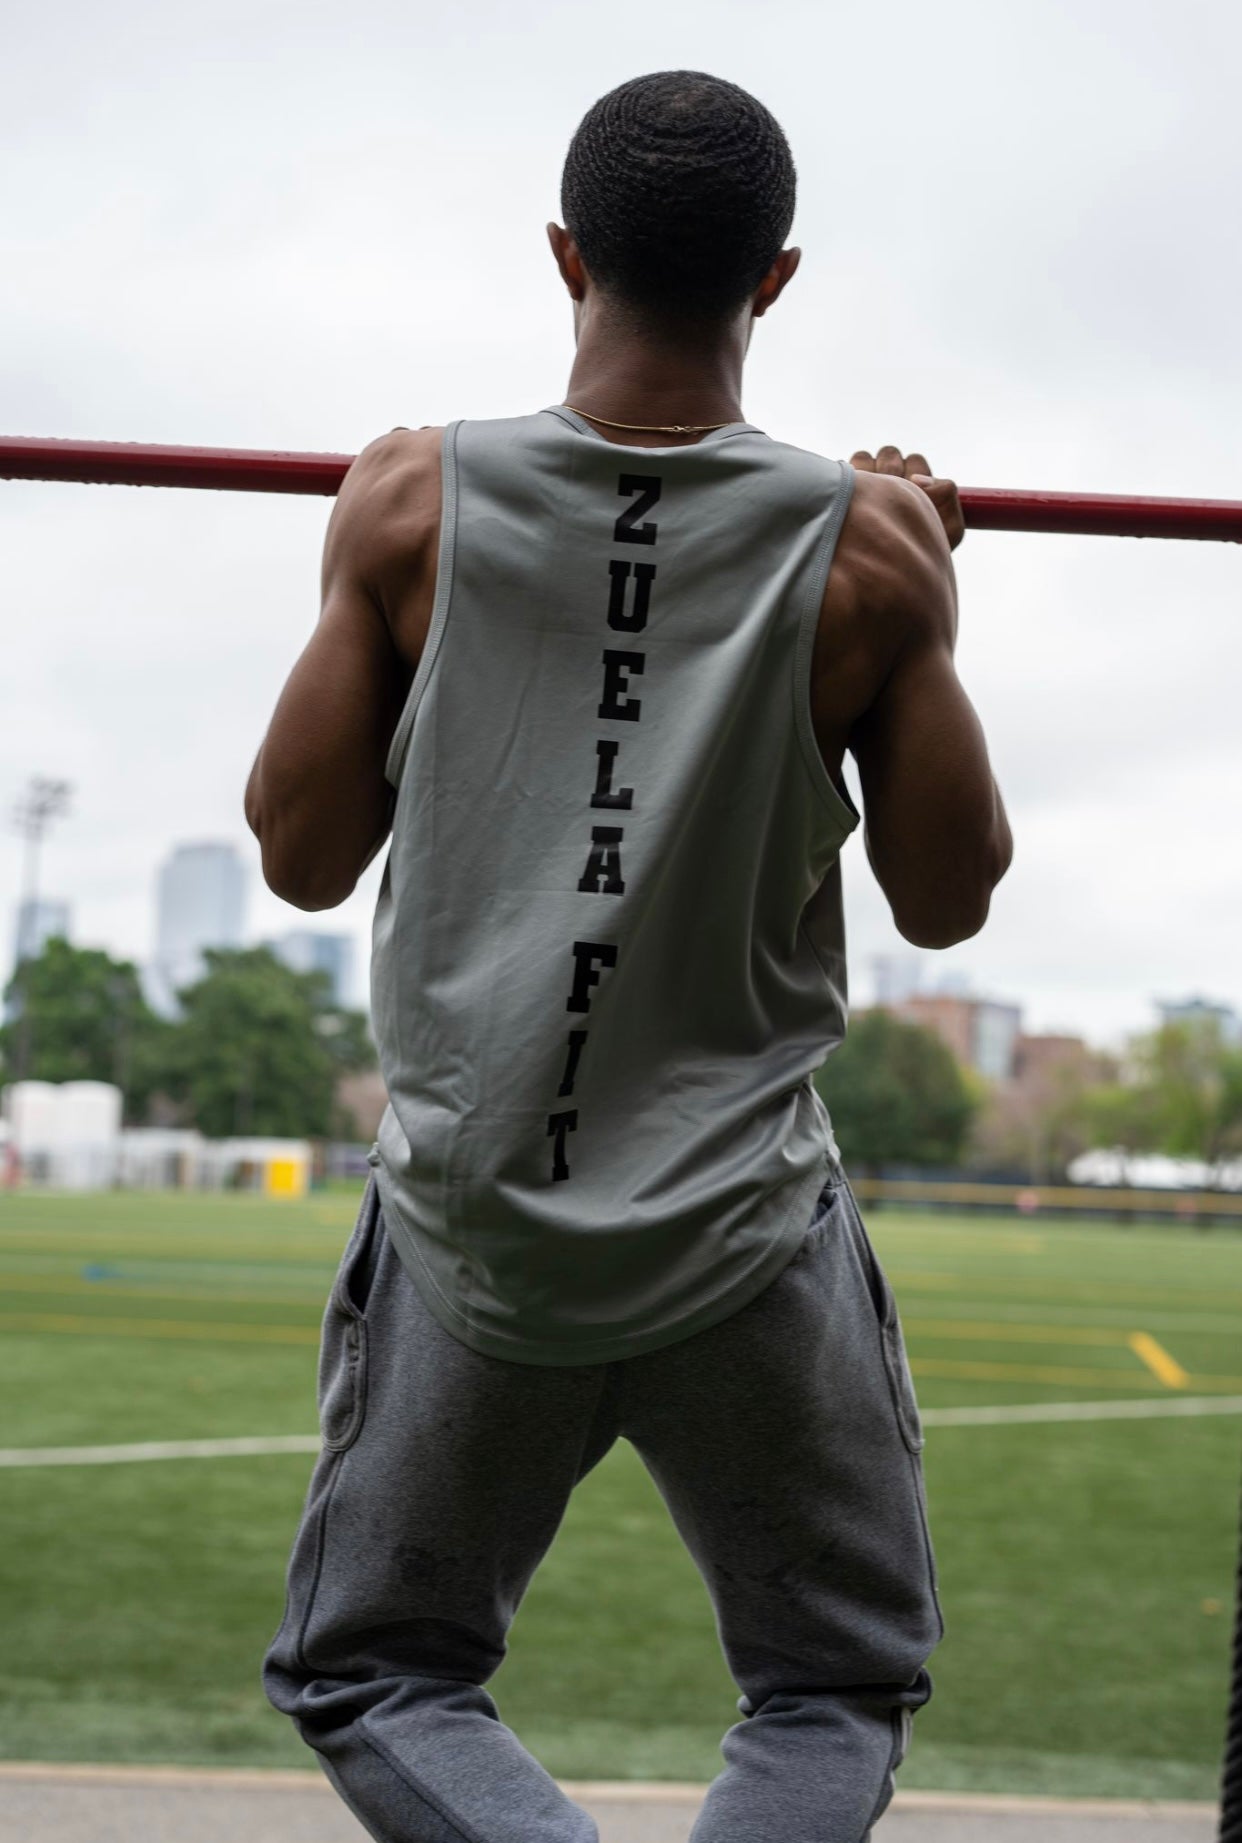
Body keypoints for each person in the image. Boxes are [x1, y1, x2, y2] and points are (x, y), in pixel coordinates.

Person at [249, 68, 1013, 1843]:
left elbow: (295, 856)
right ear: (775, 280)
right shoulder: (868, 544)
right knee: (829, 1685)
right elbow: (950, 899)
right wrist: (927, 606)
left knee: (378, 1671)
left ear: (565, 256)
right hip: (742, 1239)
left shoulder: (411, 505)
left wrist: (360, 575)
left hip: (476, 1231)